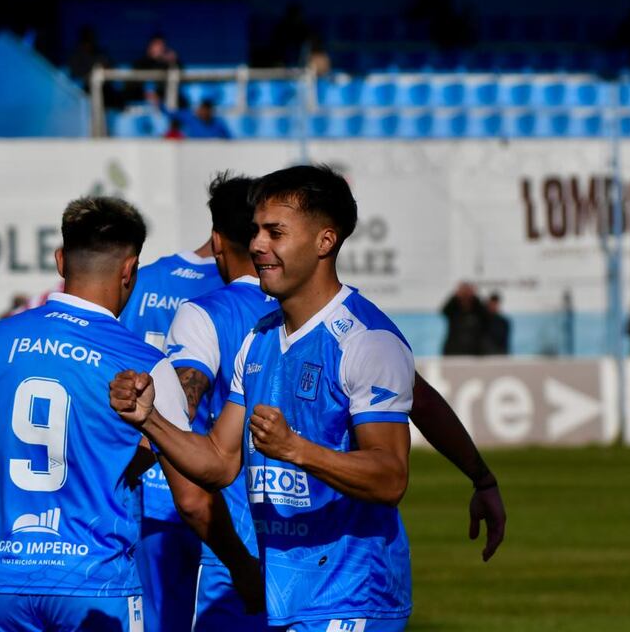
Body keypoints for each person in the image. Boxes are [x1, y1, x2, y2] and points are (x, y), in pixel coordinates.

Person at [111, 166, 505, 631]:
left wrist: (296, 450)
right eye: (256, 231)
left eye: (275, 232)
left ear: (325, 241)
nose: (257, 245)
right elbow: (218, 461)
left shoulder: (365, 340)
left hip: (351, 597)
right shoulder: (258, 340)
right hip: (285, 594)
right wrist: (150, 420)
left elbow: (390, 476)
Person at [0, 196, 258, 632]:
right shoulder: (145, 364)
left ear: (61, 260)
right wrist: (241, 564)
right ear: (129, 270)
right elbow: (194, 498)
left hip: (3, 582)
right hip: (96, 583)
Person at [163, 173, 275, 631]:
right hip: (326, 552)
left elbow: (177, 411)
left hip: (240, 544)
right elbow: (418, 398)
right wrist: (480, 477)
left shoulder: (205, 312)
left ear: (215, 240)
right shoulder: (325, 308)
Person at [119, 226, 225, 631]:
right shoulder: (244, 289)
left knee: (155, 620)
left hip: (148, 478)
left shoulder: (142, 279)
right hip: (216, 487)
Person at [441, 282, 487, 355]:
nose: (466, 295)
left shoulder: (477, 309)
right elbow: (444, 311)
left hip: (474, 350)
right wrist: (456, 296)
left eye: (468, 292)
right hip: (454, 349)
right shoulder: (454, 309)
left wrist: (474, 297)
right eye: (464, 292)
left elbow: (485, 315)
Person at [154, 97, 232, 139]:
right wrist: (160, 104)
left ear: (210, 111)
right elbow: (171, 114)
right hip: (193, 152)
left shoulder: (218, 124)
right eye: (201, 109)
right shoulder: (190, 118)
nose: (202, 112)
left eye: (206, 110)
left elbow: (228, 140)